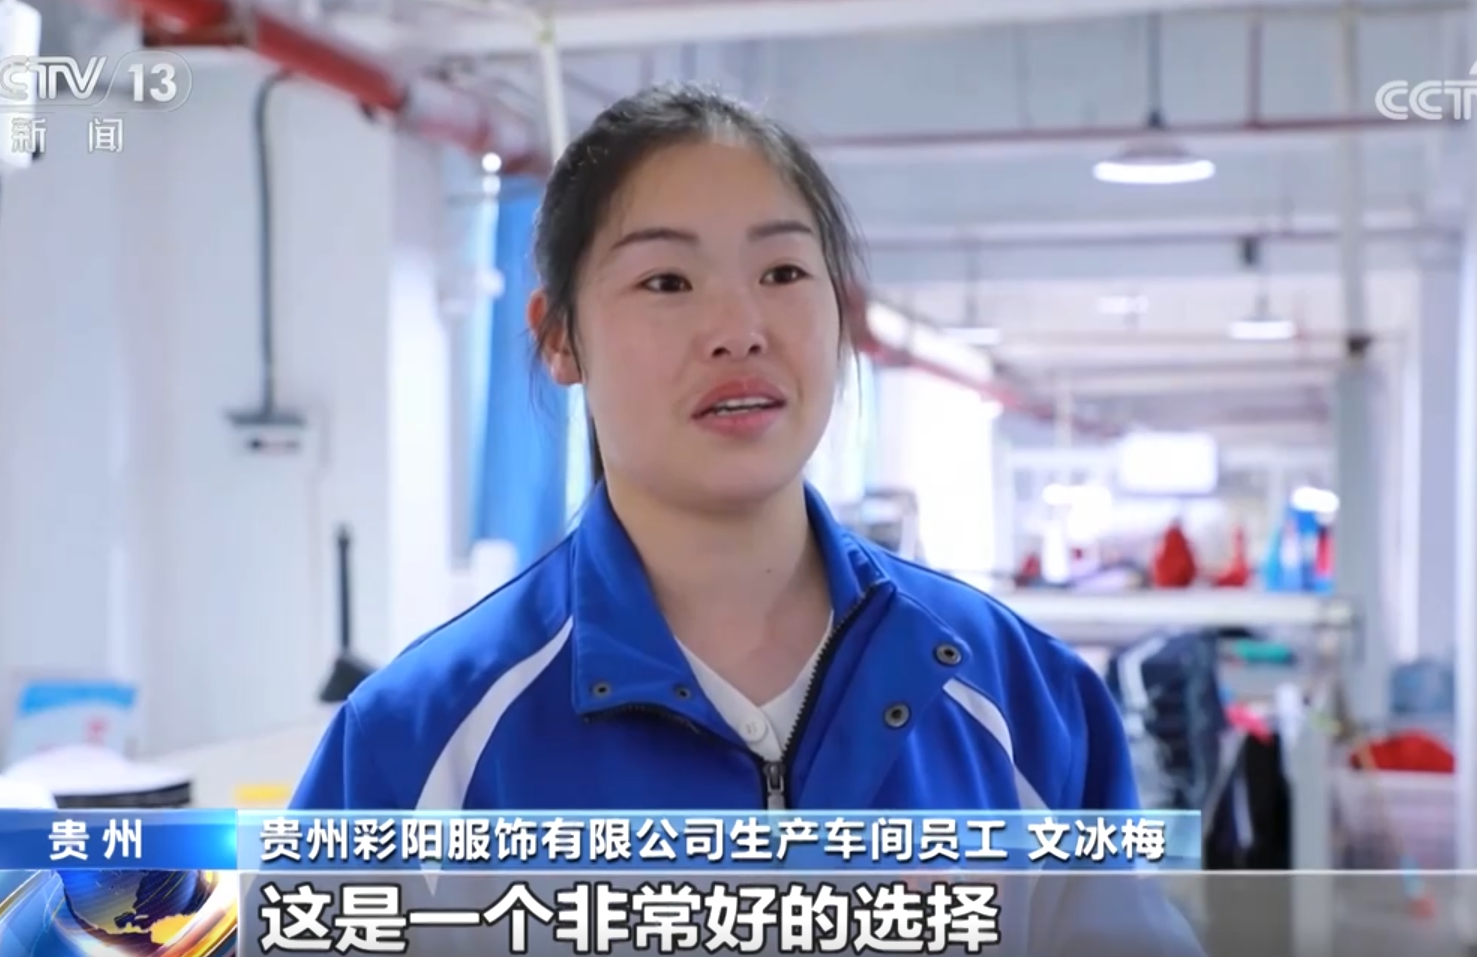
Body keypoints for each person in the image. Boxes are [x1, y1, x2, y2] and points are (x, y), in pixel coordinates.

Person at [293, 83, 1202, 956]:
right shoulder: (422, 741)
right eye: (667, 281)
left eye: (782, 272)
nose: (740, 328)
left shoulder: (1019, 696)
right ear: (559, 336)